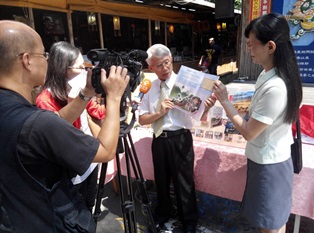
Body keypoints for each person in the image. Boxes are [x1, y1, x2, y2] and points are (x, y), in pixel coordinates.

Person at [0, 20, 129, 232]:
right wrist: (114, 98)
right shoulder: (38, 121)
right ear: (26, 61)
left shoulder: (17, 112)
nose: (48, 61)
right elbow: (106, 151)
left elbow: (56, 120)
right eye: (44, 55)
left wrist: (86, 93)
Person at [213, 13, 303, 233]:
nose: (249, 51)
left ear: (270, 46)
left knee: (269, 224)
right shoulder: (272, 75)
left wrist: (225, 102)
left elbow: (249, 132)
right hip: (271, 158)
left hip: (269, 165)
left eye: (252, 45)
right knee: (274, 219)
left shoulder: (276, 87)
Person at [138, 44, 216, 233]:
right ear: (151, 68)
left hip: (180, 138)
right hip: (159, 139)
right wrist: (159, 112)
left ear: (172, 60)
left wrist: (206, 106)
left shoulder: (187, 83)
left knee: (184, 182)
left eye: (167, 63)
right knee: (161, 181)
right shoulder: (150, 88)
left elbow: (199, 116)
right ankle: (163, 212)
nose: (164, 68)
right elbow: (141, 119)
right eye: (159, 65)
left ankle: (188, 221)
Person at [36, 41, 105, 213]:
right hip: (70, 167)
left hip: (89, 161)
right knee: (74, 213)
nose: (86, 72)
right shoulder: (46, 99)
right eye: (80, 67)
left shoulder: (79, 88)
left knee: (90, 204)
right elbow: (58, 135)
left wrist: (116, 101)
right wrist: (78, 100)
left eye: (85, 66)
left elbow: (96, 111)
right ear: (63, 68)